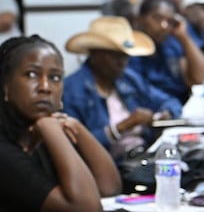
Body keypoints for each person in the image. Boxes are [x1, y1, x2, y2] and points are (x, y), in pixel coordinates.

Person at [0, 36, 121, 212]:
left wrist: (76, 127)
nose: (45, 87)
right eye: (31, 75)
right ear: (6, 85)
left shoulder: (32, 131)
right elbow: (86, 208)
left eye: (55, 77)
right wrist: (51, 129)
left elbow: (109, 188)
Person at [63, 17, 182, 162]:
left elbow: (169, 101)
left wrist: (164, 114)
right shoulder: (73, 90)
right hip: (106, 167)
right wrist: (123, 126)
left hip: (142, 156)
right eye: (115, 56)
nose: (122, 63)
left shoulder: (129, 79)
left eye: (125, 56)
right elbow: (74, 144)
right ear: (95, 55)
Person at [129, 0, 204, 103]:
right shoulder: (129, 52)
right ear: (140, 19)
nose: (164, 26)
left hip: (181, 108)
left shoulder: (171, 45)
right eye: (157, 18)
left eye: (170, 21)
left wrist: (184, 38)